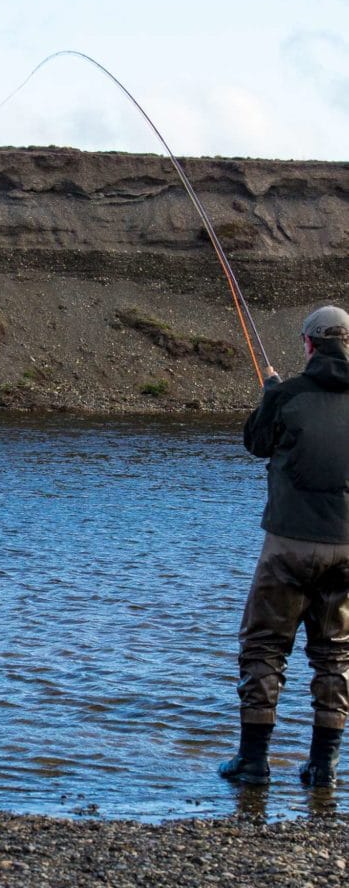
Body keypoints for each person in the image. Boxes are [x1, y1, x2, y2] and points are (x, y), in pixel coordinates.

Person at [219, 304, 349, 788]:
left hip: (289, 546)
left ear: (310, 345)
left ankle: (253, 763)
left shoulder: (288, 394)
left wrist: (271, 395)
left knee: (265, 646)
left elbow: (256, 442)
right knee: (335, 654)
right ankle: (325, 768)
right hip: (347, 548)